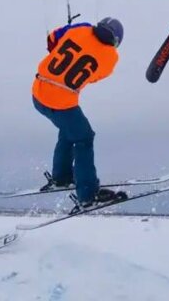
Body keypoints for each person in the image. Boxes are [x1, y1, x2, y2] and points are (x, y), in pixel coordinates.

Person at [32, 17, 126, 207]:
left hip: (38, 93)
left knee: (70, 130)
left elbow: (51, 39)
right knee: (84, 137)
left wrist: (65, 45)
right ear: (116, 41)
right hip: (62, 103)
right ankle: (88, 195)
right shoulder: (111, 57)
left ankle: (61, 177)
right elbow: (95, 77)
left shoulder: (81, 28)